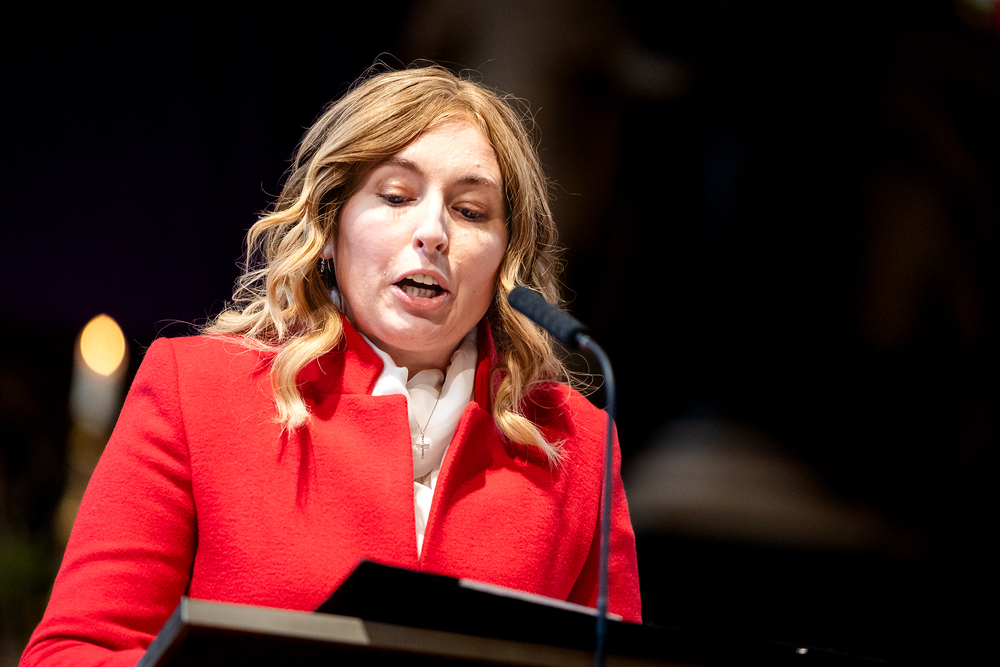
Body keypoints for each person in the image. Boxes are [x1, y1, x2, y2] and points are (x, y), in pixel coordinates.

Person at [21, 66, 641, 666]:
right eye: (395, 196)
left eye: (471, 211)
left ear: (507, 257)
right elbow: (73, 653)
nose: (433, 232)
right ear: (330, 221)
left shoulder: (579, 445)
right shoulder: (200, 391)